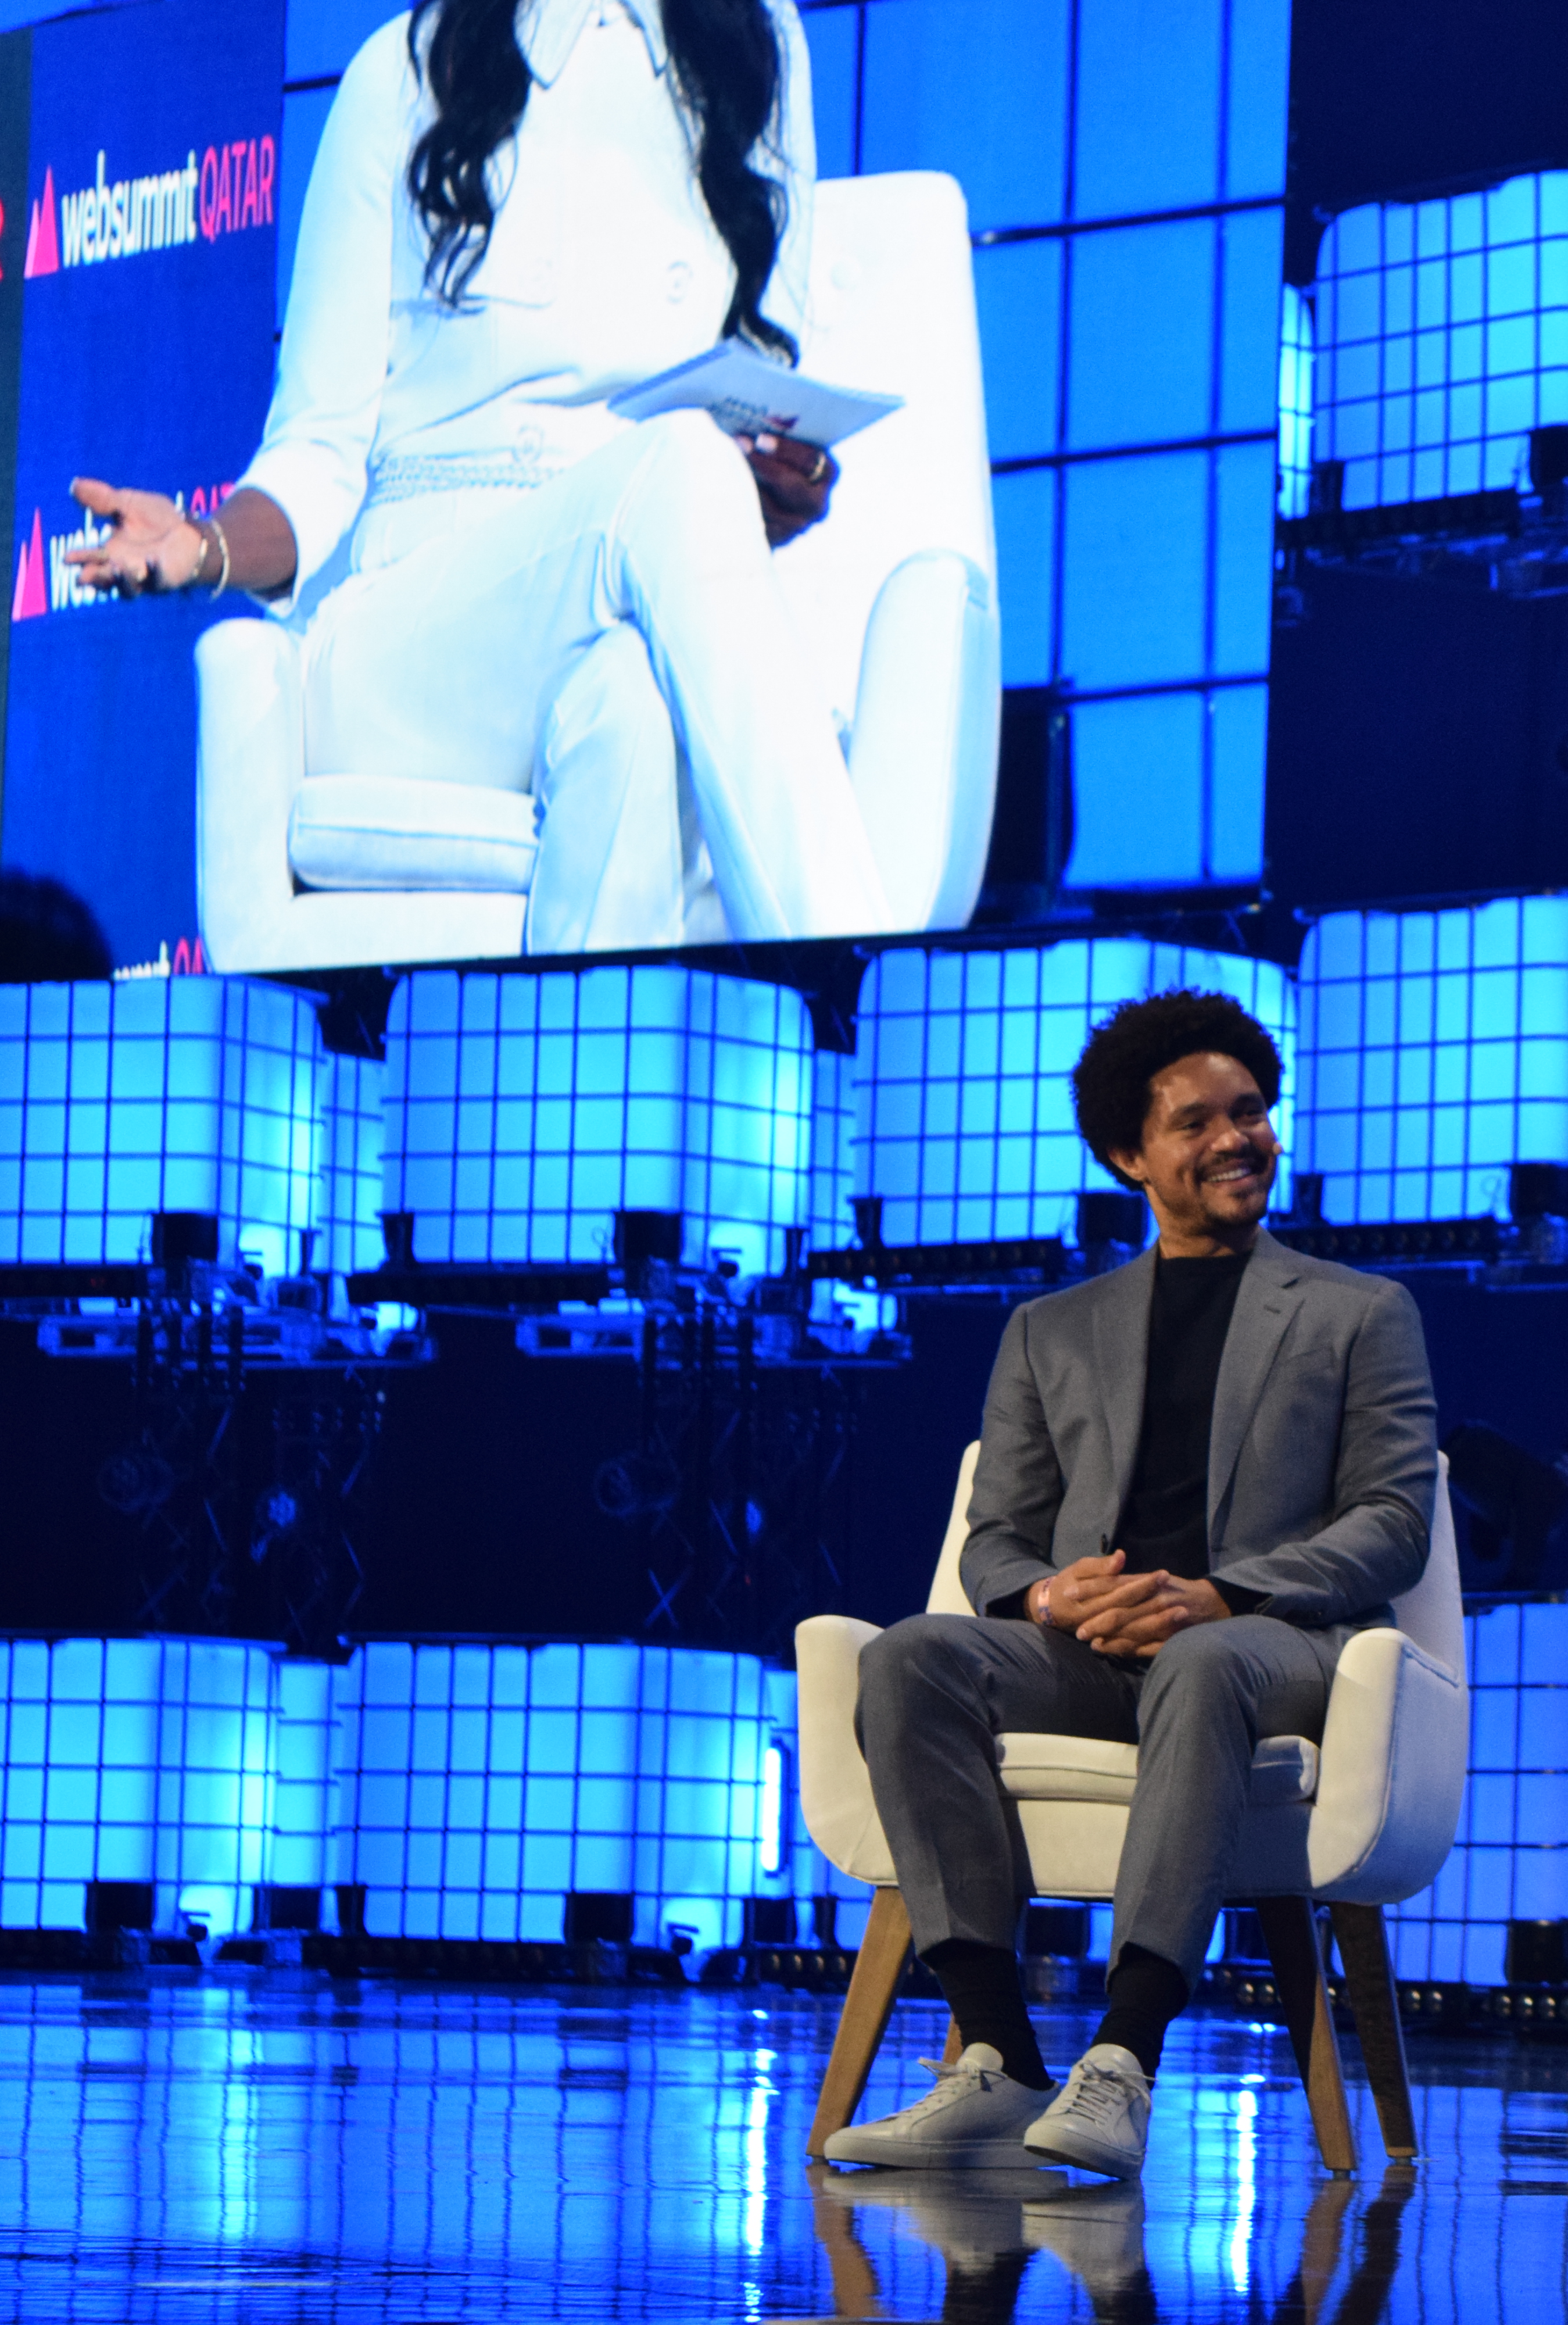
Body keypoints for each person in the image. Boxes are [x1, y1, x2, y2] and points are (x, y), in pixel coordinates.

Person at [63, 0, 887, 952]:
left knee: (635, 706)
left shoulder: (756, 46)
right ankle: (869, 996)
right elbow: (317, 446)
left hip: (636, 600)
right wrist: (204, 546)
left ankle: (565, 1087)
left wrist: (776, 485)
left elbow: (757, 390)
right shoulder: (404, 71)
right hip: (409, 640)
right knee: (683, 469)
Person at [826, 989, 1438, 2179]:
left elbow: (1396, 1520)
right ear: (1128, 1155)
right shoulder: (1052, 1328)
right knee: (907, 1653)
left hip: (1268, 1648)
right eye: (1196, 1121)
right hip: (1091, 1650)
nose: (1236, 1137)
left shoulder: (1362, 1311)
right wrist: (1054, 1599)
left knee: (1201, 1659)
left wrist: (1222, 1594)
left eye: (1251, 1110)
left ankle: (1124, 2058)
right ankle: (995, 2056)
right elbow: (996, 1539)